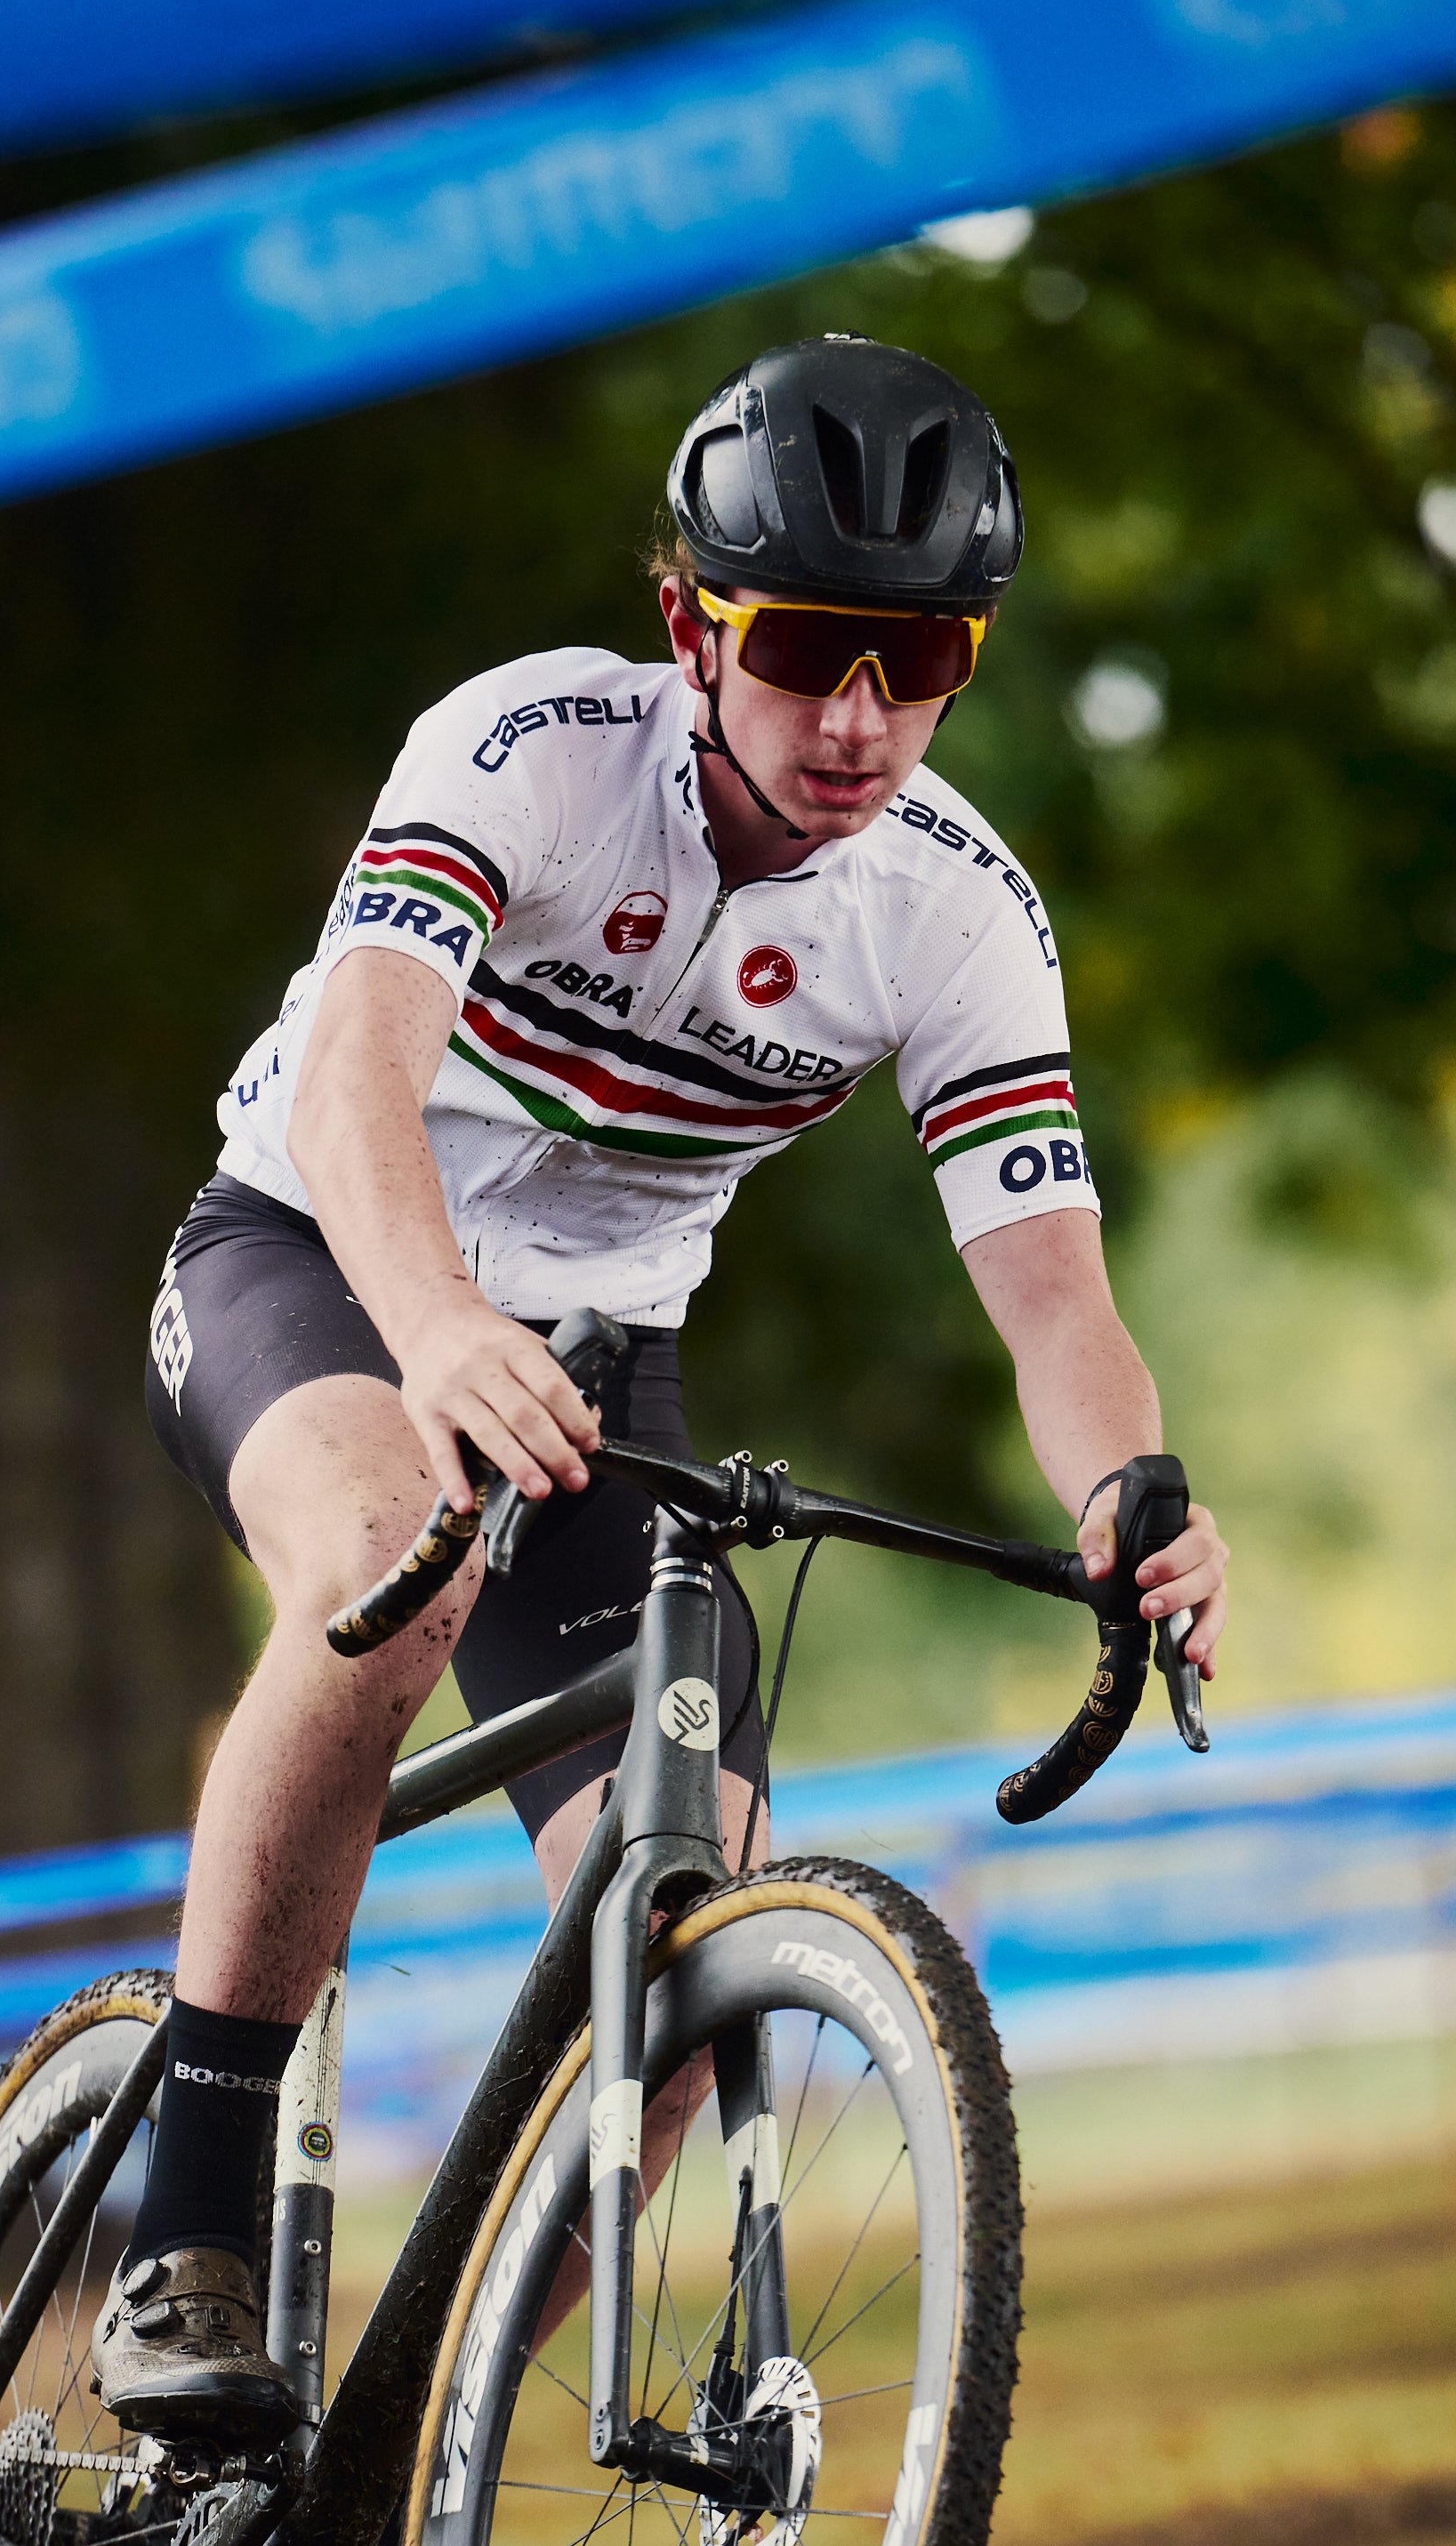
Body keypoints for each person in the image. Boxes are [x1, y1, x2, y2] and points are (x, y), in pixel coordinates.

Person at [96, 332, 1228, 2434]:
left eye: (922, 659)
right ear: (691, 625)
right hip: (316, 1261)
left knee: (684, 1952)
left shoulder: (956, 910)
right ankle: (188, 2225)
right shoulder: (527, 747)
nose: (857, 719)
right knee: (390, 1562)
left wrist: (1130, 1486)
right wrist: (440, 1326)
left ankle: (386, 2482)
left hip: (602, 1370)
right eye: (803, 650)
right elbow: (351, 1084)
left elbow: (1053, 1291)